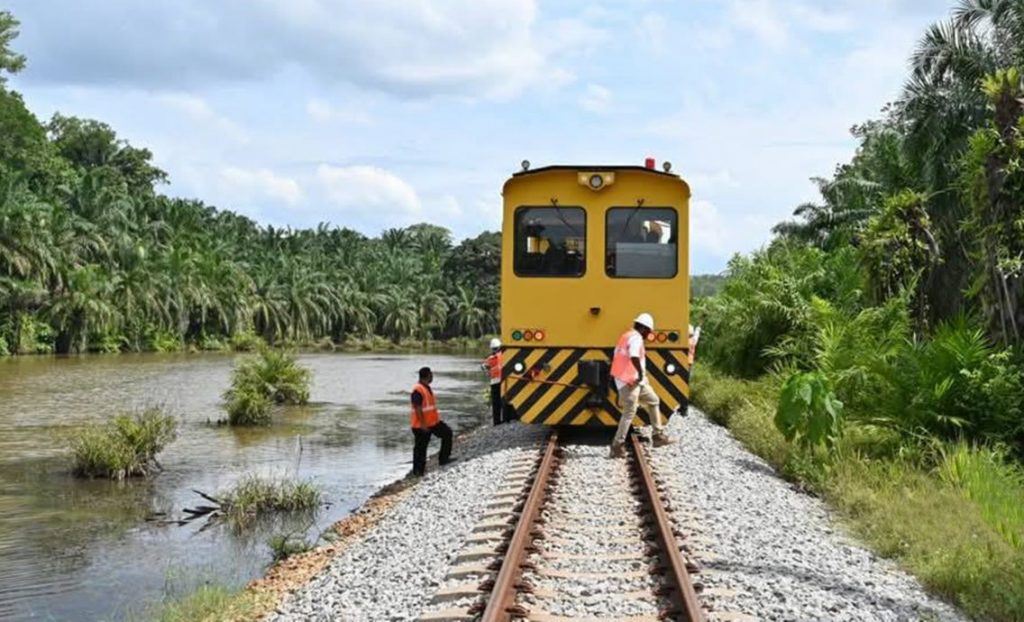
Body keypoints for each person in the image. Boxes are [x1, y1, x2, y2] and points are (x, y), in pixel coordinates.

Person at [609, 313, 674, 457]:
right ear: (643, 328)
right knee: (629, 412)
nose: (648, 334)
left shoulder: (626, 336)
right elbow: (634, 356)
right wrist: (639, 372)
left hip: (636, 381)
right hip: (629, 381)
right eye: (648, 331)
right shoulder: (636, 338)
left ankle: (657, 436)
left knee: (653, 400)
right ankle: (617, 446)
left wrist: (640, 377)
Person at [410, 366, 454, 476]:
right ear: (427, 375)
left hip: (433, 422)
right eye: (431, 375)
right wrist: (423, 424)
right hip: (421, 425)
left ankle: (443, 459)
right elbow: (417, 407)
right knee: (421, 448)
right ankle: (418, 472)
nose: (432, 377)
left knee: (447, 433)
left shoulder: (426, 387)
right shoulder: (418, 389)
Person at [481, 338, 503, 425]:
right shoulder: (504, 356)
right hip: (504, 382)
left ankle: (496, 422)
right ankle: (506, 419)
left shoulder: (491, 358)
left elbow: (483, 366)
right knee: (504, 402)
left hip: (495, 382)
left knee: (496, 403)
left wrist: (487, 372)